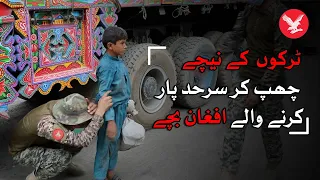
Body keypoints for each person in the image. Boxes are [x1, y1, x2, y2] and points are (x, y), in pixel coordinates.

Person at [219, 0, 292, 179]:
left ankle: (273, 165)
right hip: (246, 76)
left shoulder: (282, 16)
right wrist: (222, 49)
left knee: (270, 130)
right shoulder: (249, 10)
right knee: (234, 124)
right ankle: (228, 170)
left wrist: (260, 91)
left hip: (270, 83)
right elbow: (237, 35)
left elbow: (281, 58)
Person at [8, 92, 113, 180]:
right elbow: (82, 140)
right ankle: (35, 177)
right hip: (22, 151)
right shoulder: (47, 125)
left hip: (42, 140)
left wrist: (93, 105)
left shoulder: (65, 104)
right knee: (65, 155)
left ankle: (62, 164)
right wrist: (99, 113)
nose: (78, 123)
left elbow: (82, 129)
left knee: (78, 133)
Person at [93, 26, 131, 180]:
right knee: (104, 147)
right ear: (110, 45)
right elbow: (104, 94)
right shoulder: (106, 66)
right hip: (111, 112)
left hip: (120, 110)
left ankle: (110, 174)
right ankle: (99, 177)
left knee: (114, 144)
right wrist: (110, 121)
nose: (125, 46)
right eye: (122, 43)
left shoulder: (117, 60)